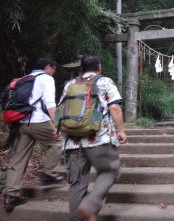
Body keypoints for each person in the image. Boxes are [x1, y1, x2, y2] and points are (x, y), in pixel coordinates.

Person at [60, 54, 127, 221]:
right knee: (110, 171)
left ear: (81, 68)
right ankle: (90, 204)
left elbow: (62, 110)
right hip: (98, 139)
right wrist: (121, 130)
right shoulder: (104, 82)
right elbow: (115, 108)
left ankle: (76, 218)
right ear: (99, 66)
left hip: (72, 142)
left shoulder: (70, 84)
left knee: (77, 184)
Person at [3, 57, 64, 211]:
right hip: (38, 120)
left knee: (18, 158)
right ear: (48, 67)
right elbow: (50, 103)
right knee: (57, 141)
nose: (54, 72)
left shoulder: (25, 78)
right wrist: (57, 124)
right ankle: (49, 173)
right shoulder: (46, 79)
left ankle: (11, 195)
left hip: (20, 122)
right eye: (54, 68)